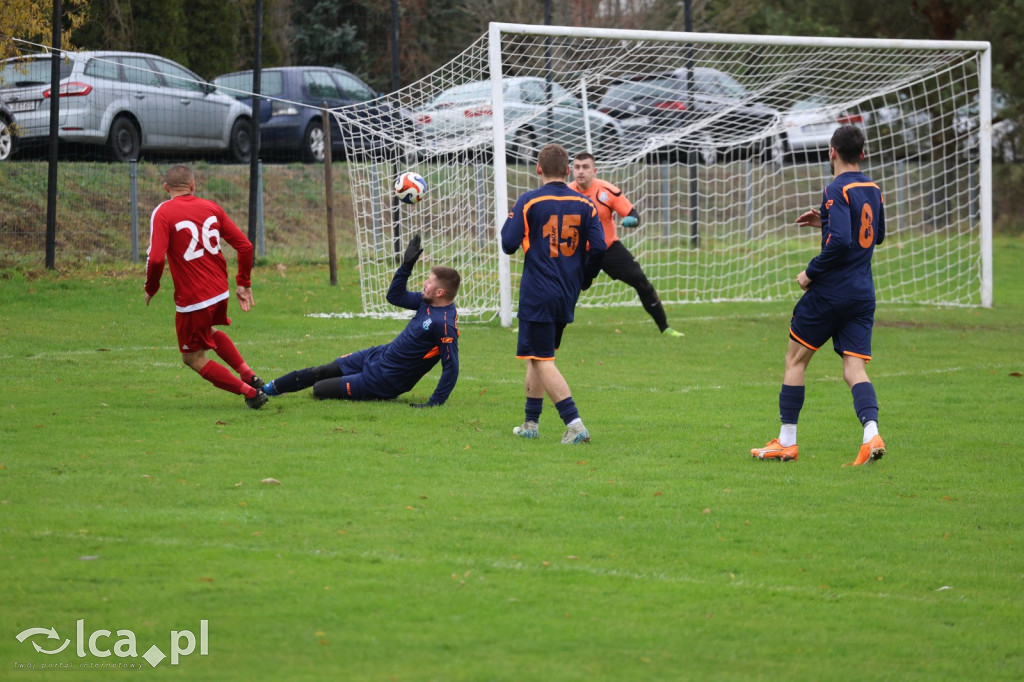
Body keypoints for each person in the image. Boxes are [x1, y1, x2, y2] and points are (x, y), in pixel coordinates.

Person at [750, 124, 886, 466]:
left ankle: (786, 442)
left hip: (829, 294)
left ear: (832, 152)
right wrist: (826, 220)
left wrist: (810, 272)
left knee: (795, 361)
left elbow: (840, 242)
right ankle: (871, 433)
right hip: (862, 294)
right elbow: (875, 235)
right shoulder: (874, 189)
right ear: (863, 154)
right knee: (854, 368)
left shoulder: (835, 189)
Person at [262, 235, 460, 406]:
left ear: (440, 292)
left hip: (384, 380)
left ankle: (370, 392)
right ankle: (267, 389)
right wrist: (406, 266)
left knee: (319, 389)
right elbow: (395, 297)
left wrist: (435, 402)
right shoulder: (427, 302)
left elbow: (451, 367)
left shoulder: (443, 324)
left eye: (429, 281)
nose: (425, 283)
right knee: (322, 370)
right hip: (377, 355)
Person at [501, 143, 606, 444]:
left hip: (538, 292)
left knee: (542, 359)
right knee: (538, 356)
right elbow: (599, 248)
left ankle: (575, 425)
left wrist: (519, 225)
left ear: (538, 168)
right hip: (567, 291)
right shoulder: (586, 204)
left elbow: (508, 244)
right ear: (568, 171)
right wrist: (585, 278)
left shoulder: (529, 200)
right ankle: (530, 424)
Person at [145, 164, 267, 409]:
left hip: (194, 298)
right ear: (193, 185)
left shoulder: (163, 212)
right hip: (219, 291)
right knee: (207, 332)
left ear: (166, 188)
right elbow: (245, 246)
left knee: (192, 357)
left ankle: (251, 394)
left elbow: (156, 258)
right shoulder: (212, 207)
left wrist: (152, 286)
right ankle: (248, 375)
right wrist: (243, 283)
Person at [569, 152, 684, 337]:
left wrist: (632, 221)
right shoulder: (566, 194)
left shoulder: (607, 191)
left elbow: (633, 214)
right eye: (577, 167)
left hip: (608, 249)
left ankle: (665, 327)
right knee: (557, 287)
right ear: (572, 170)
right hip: (578, 252)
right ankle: (537, 327)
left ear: (594, 170)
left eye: (585, 167)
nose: (580, 171)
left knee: (641, 282)